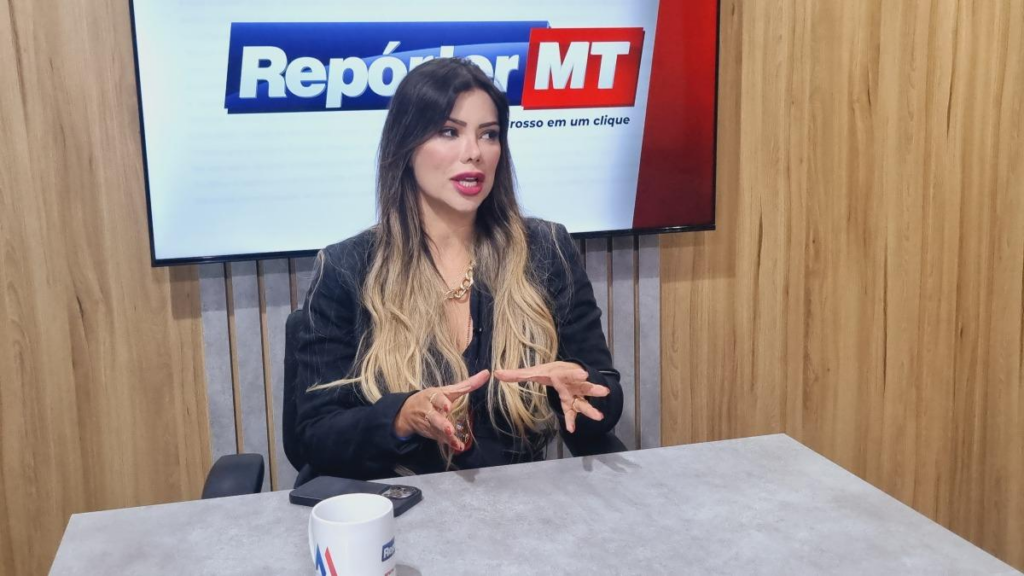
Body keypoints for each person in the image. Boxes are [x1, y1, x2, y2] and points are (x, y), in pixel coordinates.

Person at [294, 57, 622, 483]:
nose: (474, 153)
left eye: (489, 134)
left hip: (521, 502)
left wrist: (583, 387)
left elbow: (605, 400)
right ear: (405, 146)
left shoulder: (546, 250)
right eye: (449, 132)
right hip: (402, 500)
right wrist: (401, 417)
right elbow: (315, 435)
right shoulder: (347, 268)